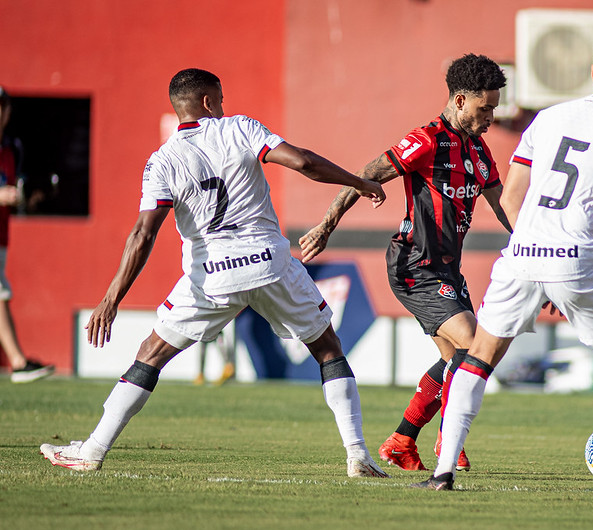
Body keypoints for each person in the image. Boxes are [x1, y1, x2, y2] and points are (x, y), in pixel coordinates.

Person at [39, 68, 388, 478]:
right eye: (220, 100)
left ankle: (93, 450)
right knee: (328, 349)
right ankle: (357, 455)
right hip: (270, 265)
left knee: (150, 355)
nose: (223, 107)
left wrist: (111, 298)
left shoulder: (162, 161)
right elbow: (304, 162)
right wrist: (358, 182)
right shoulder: (239, 129)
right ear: (208, 101)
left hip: (211, 277)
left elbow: (142, 233)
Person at [412, 34, 593, 495]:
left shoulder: (548, 117)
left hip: (522, 256)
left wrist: (541, 266)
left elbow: (512, 198)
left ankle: (442, 473)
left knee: (477, 360)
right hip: (581, 260)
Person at [300, 54, 511, 472]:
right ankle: (449, 442)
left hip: (448, 269)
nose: (491, 116)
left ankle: (401, 440)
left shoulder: (479, 149)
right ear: (461, 99)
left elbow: (504, 205)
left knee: (457, 359)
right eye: (485, 107)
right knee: (474, 345)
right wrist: (326, 226)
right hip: (415, 264)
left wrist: (538, 244)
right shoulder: (426, 140)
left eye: (494, 108)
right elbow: (365, 175)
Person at [0, 86, 55, 383]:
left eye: (1, 106)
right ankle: (18, 363)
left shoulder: (12, 147)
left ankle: (19, 362)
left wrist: (28, 197)